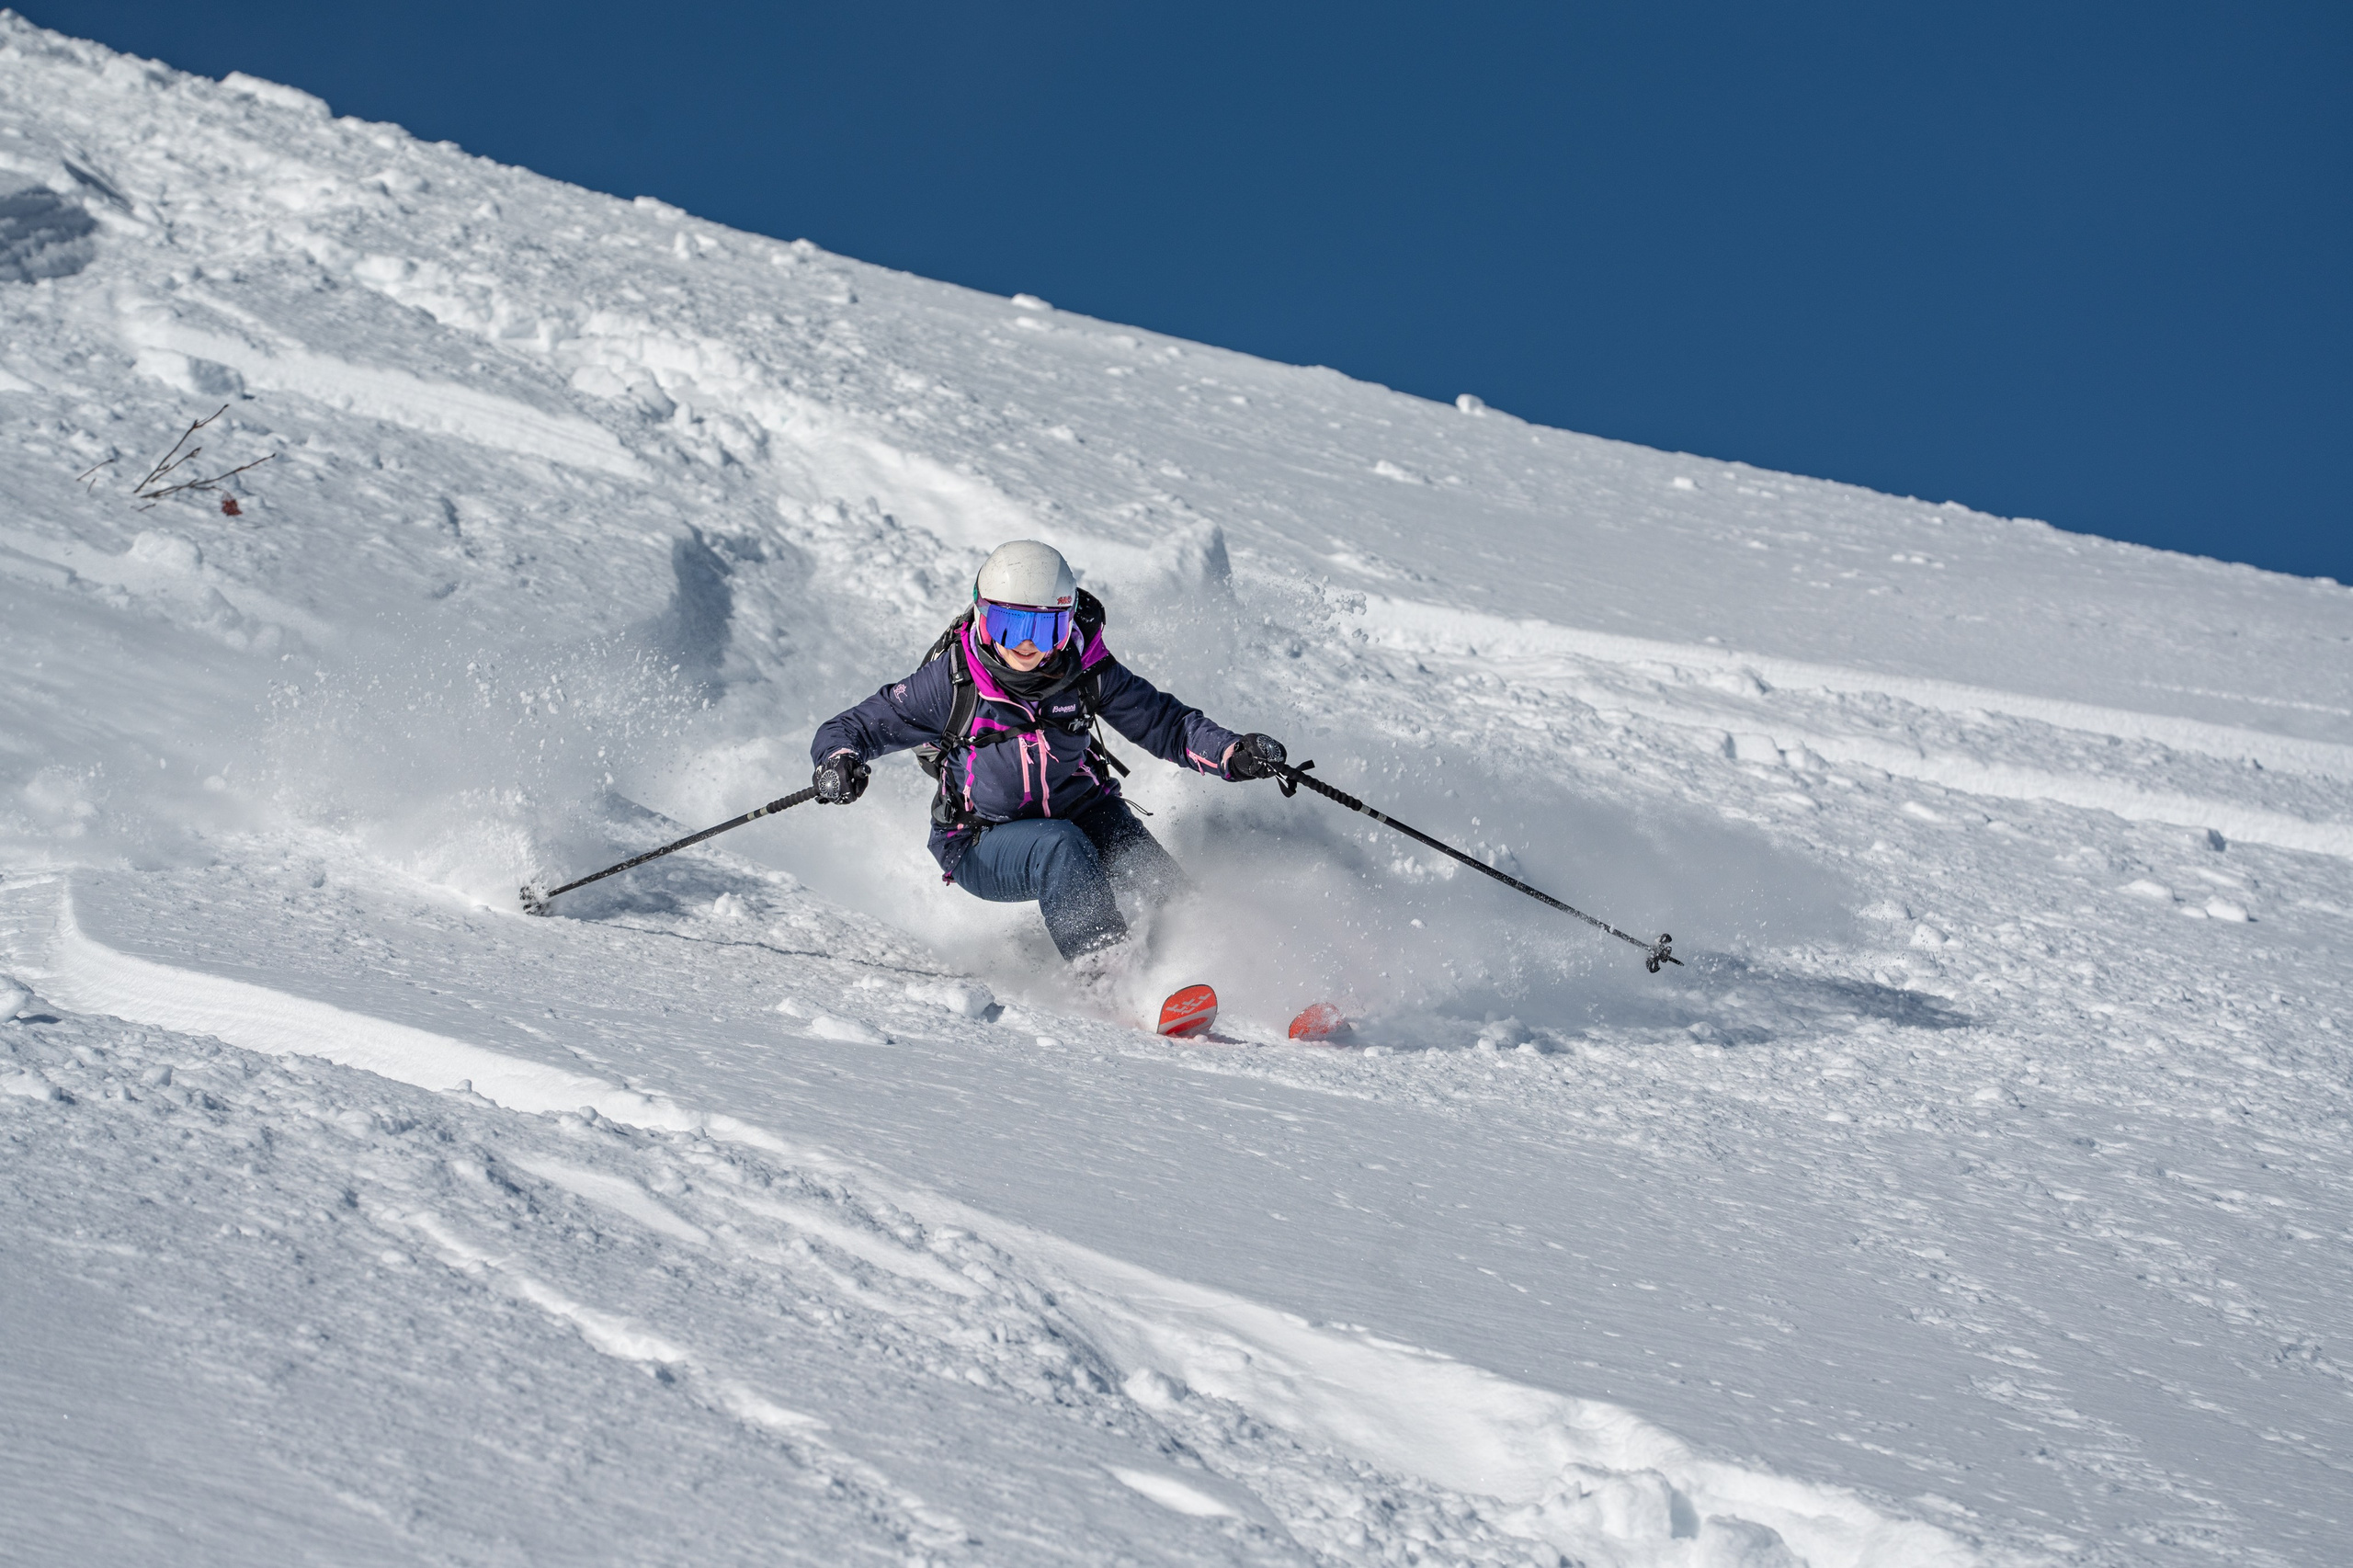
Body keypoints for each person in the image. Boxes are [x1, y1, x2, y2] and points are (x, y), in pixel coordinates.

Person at [809, 540, 1287, 963]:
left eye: (1042, 630)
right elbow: (852, 727)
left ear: (1064, 627)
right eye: (1008, 624)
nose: (1024, 645)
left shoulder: (1087, 670)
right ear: (982, 617)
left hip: (1083, 811)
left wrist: (1231, 752)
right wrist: (839, 761)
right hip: (980, 841)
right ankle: (1110, 977)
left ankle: (1215, 966)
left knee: (1154, 879)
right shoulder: (952, 683)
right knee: (1061, 846)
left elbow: (1167, 723)